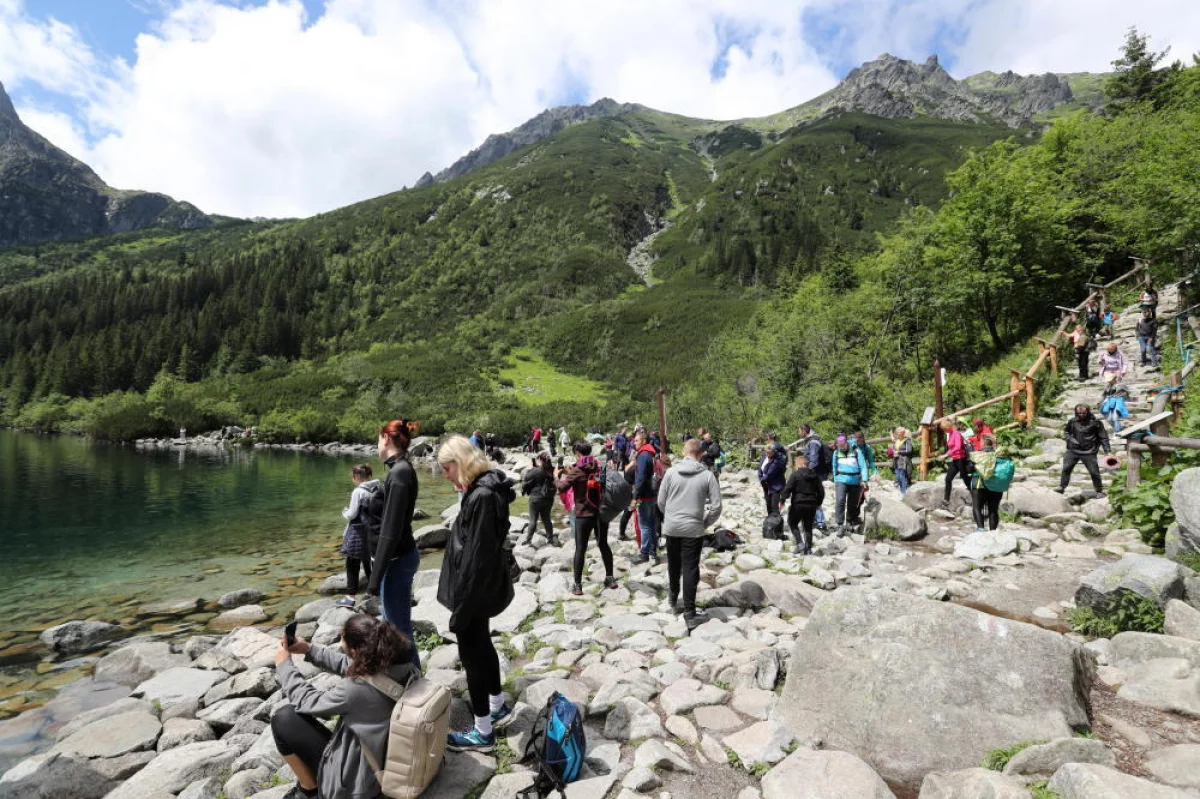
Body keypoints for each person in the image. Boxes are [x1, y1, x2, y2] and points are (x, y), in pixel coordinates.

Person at [272, 614, 417, 799]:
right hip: (390, 761)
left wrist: (284, 664)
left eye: (343, 640)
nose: (341, 644)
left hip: (360, 785)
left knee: (284, 718)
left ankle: (309, 790)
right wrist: (309, 649)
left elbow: (306, 701)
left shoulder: (355, 690)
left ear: (357, 651)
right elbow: (353, 667)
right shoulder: (404, 667)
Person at [436, 436, 516, 752]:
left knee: (472, 656)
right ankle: (496, 705)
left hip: (473, 591)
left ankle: (482, 731)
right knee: (483, 645)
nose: (444, 474)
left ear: (461, 462)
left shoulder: (481, 496)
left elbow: (476, 559)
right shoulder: (485, 489)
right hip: (479, 589)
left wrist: (462, 608)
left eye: (446, 467)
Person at [367, 420, 421, 670]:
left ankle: (417, 684)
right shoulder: (399, 470)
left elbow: (391, 530)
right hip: (397, 558)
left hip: (397, 561)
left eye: (378, 440)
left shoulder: (399, 472)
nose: (377, 446)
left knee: (398, 629)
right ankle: (407, 680)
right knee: (394, 626)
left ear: (386, 439)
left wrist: (374, 579)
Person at [657, 438, 723, 631]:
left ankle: (673, 597)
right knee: (690, 567)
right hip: (693, 528)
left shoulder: (670, 473)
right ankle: (690, 613)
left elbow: (661, 501)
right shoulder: (707, 475)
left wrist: (670, 517)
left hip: (671, 526)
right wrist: (703, 523)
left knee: (674, 563)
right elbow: (717, 507)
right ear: (701, 454)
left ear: (684, 452)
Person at [556, 442, 617, 595]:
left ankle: (577, 585)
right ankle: (610, 578)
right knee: (603, 544)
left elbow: (562, 487)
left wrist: (555, 476)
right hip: (600, 513)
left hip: (583, 515)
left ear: (577, 453)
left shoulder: (577, 470)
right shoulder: (598, 466)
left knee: (580, 549)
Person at [337, 464, 381, 609]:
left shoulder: (358, 491)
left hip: (358, 531)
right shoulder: (377, 487)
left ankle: (350, 597)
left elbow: (352, 513)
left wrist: (344, 512)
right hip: (372, 529)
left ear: (356, 476)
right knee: (369, 561)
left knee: (352, 563)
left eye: (353, 476)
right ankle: (374, 592)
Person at [1055, 404, 1111, 496]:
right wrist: (1070, 439)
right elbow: (1067, 432)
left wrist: (1107, 451)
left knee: (1094, 472)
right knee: (1066, 468)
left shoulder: (1096, 423)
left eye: (1083, 413)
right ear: (1076, 412)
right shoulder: (1072, 421)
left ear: (1088, 412)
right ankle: (1061, 487)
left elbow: (1103, 437)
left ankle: (1099, 490)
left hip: (1089, 451)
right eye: (1079, 413)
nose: (1081, 414)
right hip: (1073, 450)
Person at [778, 452, 824, 555]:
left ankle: (800, 543)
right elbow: (821, 491)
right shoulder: (815, 476)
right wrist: (818, 503)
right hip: (812, 504)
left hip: (798, 503)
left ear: (798, 464)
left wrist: (782, 501)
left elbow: (787, 489)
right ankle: (808, 549)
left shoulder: (795, 475)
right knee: (808, 526)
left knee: (792, 522)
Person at [630, 428, 661, 565]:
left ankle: (644, 554)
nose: (634, 443)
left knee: (645, 525)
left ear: (643, 441)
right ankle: (653, 551)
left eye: (636, 441)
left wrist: (635, 497)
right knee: (652, 524)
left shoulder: (643, 456)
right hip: (653, 494)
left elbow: (640, 478)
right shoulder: (652, 454)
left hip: (645, 496)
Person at [521, 452, 559, 546]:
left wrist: (532, 467)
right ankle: (550, 539)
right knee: (547, 519)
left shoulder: (536, 470)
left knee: (533, 520)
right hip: (548, 498)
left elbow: (526, 478)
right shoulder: (552, 470)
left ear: (541, 460)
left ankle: (528, 540)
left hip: (535, 498)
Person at [831, 435, 868, 534]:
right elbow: (834, 466)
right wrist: (835, 478)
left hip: (855, 480)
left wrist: (864, 480)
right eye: (840, 445)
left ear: (846, 442)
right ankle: (840, 525)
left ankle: (849, 521)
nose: (842, 447)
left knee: (852, 502)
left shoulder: (856, 451)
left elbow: (863, 466)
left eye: (843, 445)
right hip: (841, 480)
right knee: (840, 501)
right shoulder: (836, 452)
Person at [940, 418, 972, 505]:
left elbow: (958, 447)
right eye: (943, 429)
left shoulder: (956, 433)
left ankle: (976, 497)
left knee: (965, 479)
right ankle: (946, 500)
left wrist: (946, 455)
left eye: (944, 428)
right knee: (948, 479)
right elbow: (951, 448)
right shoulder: (950, 434)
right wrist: (946, 454)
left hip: (961, 459)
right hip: (955, 459)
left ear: (949, 426)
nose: (944, 430)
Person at [757, 436, 787, 517]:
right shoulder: (764, 456)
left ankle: (776, 524)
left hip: (775, 485)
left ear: (774, 452)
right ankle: (770, 521)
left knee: (774, 507)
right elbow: (760, 468)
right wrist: (761, 478)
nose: (768, 454)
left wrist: (763, 479)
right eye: (767, 452)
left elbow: (771, 472)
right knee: (768, 504)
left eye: (770, 453)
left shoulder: (778, 460)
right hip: (765, 484)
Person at [889, 427, 914, 496]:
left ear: (903, 433)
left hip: (904, 461)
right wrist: (892, 452)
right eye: (898, 432)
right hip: (896, 461)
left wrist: (899, 452)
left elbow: (909, 450)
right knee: (898, 476)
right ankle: (901, 491)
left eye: (900, 432)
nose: (899, 433)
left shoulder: (907, 440)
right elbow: (894, 449)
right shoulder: (897, 441)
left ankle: (904, 493)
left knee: (902, 476)